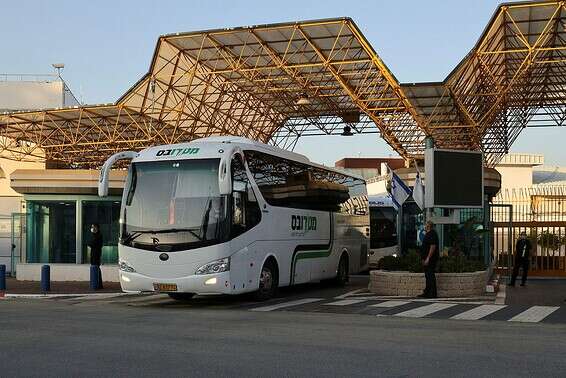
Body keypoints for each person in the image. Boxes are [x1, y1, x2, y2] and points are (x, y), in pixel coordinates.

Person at [418, 221, 439, 298]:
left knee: (430, 276)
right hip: (426, 259)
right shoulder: (428, 234)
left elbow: (433, 246)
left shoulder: (432, 234)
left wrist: (428, 258)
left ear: (429, 226)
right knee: (427, 276)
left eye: (426, 225)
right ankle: (427, 292)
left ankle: (432, 293)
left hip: (430, 259)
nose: (424, 226)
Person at [88, 223, 103, 290]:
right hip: (93, 253)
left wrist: (91, 243)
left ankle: (97, 284)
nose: (93, 228)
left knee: (96, 267)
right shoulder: (94, 236)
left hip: (96, 254)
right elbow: (90, 243)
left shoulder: (98, 236)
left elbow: (92, 243)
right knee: (95, 268)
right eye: (92, 227)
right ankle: (97, 283)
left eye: (94, 227)